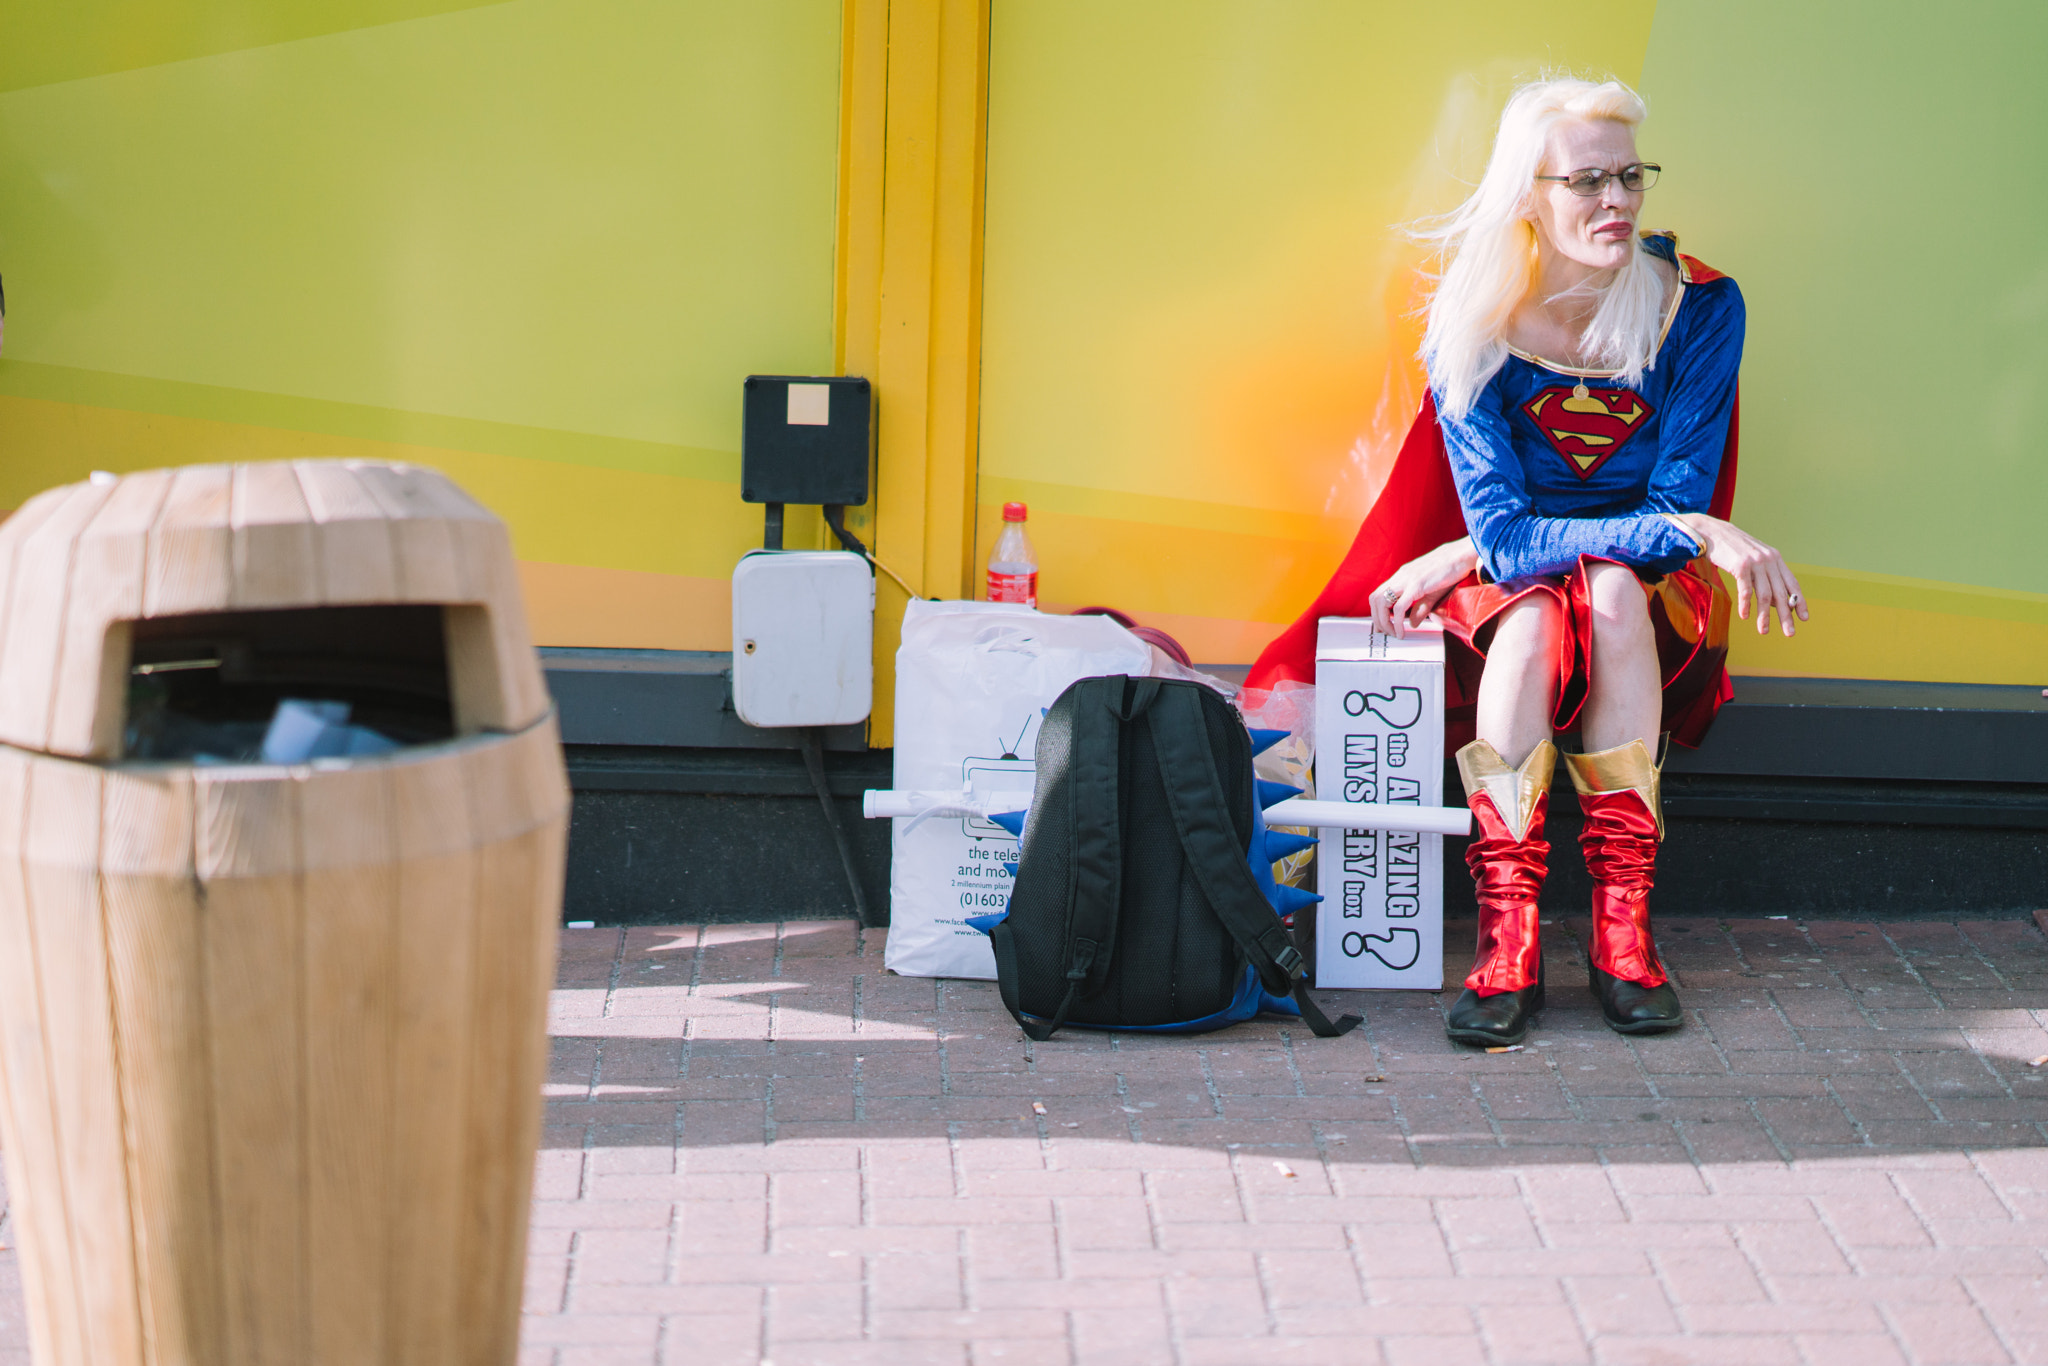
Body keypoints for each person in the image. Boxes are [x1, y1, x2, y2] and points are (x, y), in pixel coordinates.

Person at [1248, 77, 1807, 1046]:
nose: (1617, 201)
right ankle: (1507, 937)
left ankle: (1618, 934)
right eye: (1586, 180)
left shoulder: (1701, 309)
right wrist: (1503, 545)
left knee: (1614, 597)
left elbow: (1670, 508)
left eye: (1629, 175)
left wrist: (1675, 533)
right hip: (1509, 599)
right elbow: (1514, 544)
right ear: (1526, 198)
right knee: (1540, 611)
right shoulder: (1469, 325)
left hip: (1642, 606)